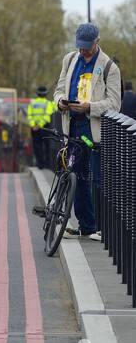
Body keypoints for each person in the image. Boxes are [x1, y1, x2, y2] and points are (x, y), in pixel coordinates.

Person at [53, 22, 121, 242]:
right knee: (77, 177)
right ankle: (86, 226)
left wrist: (90, 107)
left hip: (94, 129)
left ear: (97, 42)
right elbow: (59, 89)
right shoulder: (69, 60)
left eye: (87, 47)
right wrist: (61, 101)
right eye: (80, 46)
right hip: (72, 124)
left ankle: (102, 227)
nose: (83, 51)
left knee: (98, 179)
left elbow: (114, 103)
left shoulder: (109, 67)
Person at [26, 85, 55, 168]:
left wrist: (33, 125)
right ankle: (47, 164)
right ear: (46, 94)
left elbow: (29, 116)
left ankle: (40, 164)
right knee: (47, 146)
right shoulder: (48, 103)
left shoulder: (32, 103)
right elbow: (47, 116)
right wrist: (40, 125)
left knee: (37, 146)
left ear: (37, 94)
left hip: (34, 128)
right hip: (45, 127)